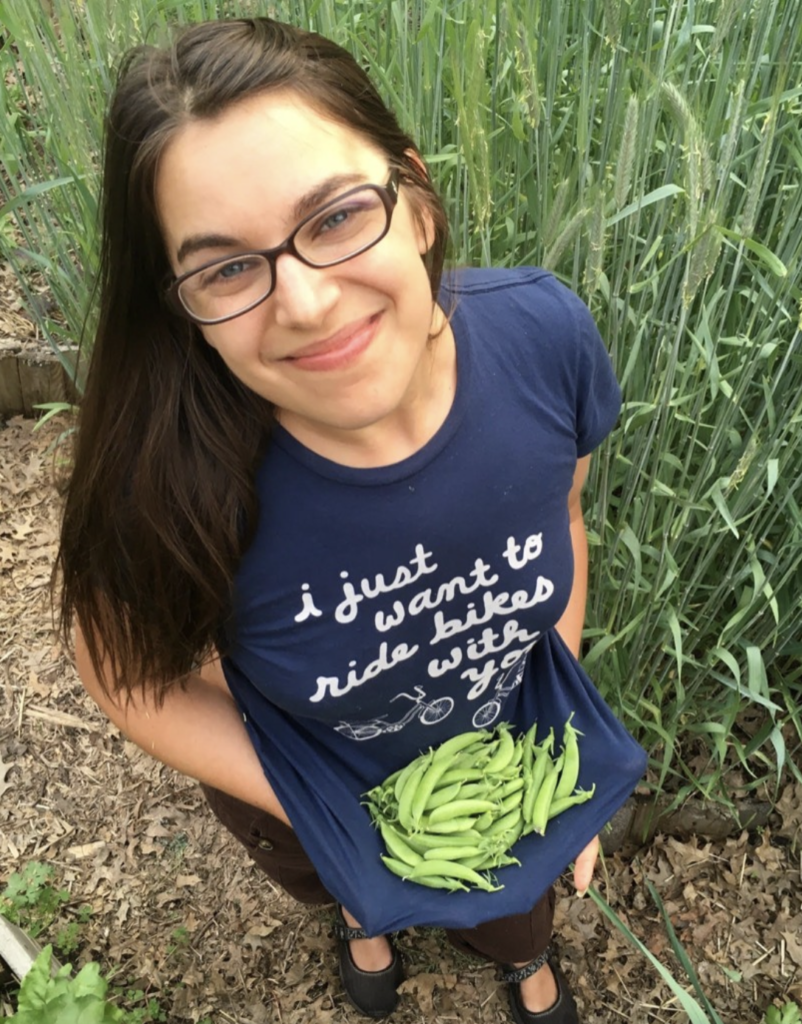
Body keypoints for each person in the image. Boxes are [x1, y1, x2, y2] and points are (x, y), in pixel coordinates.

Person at [56, 17, 646, 1023]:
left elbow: (566, 518)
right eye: (227, 269)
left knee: (513, 903)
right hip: (300, 794)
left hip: (491, 754)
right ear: (177, 302)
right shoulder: (167, 476)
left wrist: (541, 754)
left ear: (414, 202)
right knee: (340, 879)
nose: (309, 303)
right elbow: (119, 670)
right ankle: (360, 921)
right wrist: (334, 820)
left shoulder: (546, 339)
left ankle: (522, 960)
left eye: (334, 216)